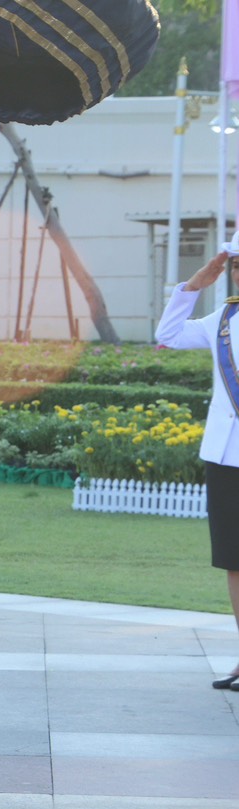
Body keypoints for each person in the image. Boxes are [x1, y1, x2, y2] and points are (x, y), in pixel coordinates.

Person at [155, 238, 239, 690]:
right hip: (227, 456)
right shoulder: (224, 316)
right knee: (234, 561)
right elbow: (167, 336)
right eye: (238, 266)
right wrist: (193, 286)